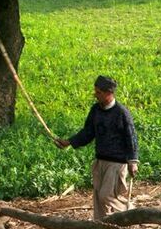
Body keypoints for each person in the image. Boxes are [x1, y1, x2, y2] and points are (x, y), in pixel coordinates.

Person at [55, 75, 139, 220]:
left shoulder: (122, 113)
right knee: (99, 197)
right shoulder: (96, 110)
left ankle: (133, 214)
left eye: (98, 92)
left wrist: (133, 161)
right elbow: (88, 132)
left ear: (109, 93)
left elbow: (131, 137)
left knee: (106, 195)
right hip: (100, 160)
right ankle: (103, 225)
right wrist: (69, 142)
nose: (95, 95)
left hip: (117, 163)